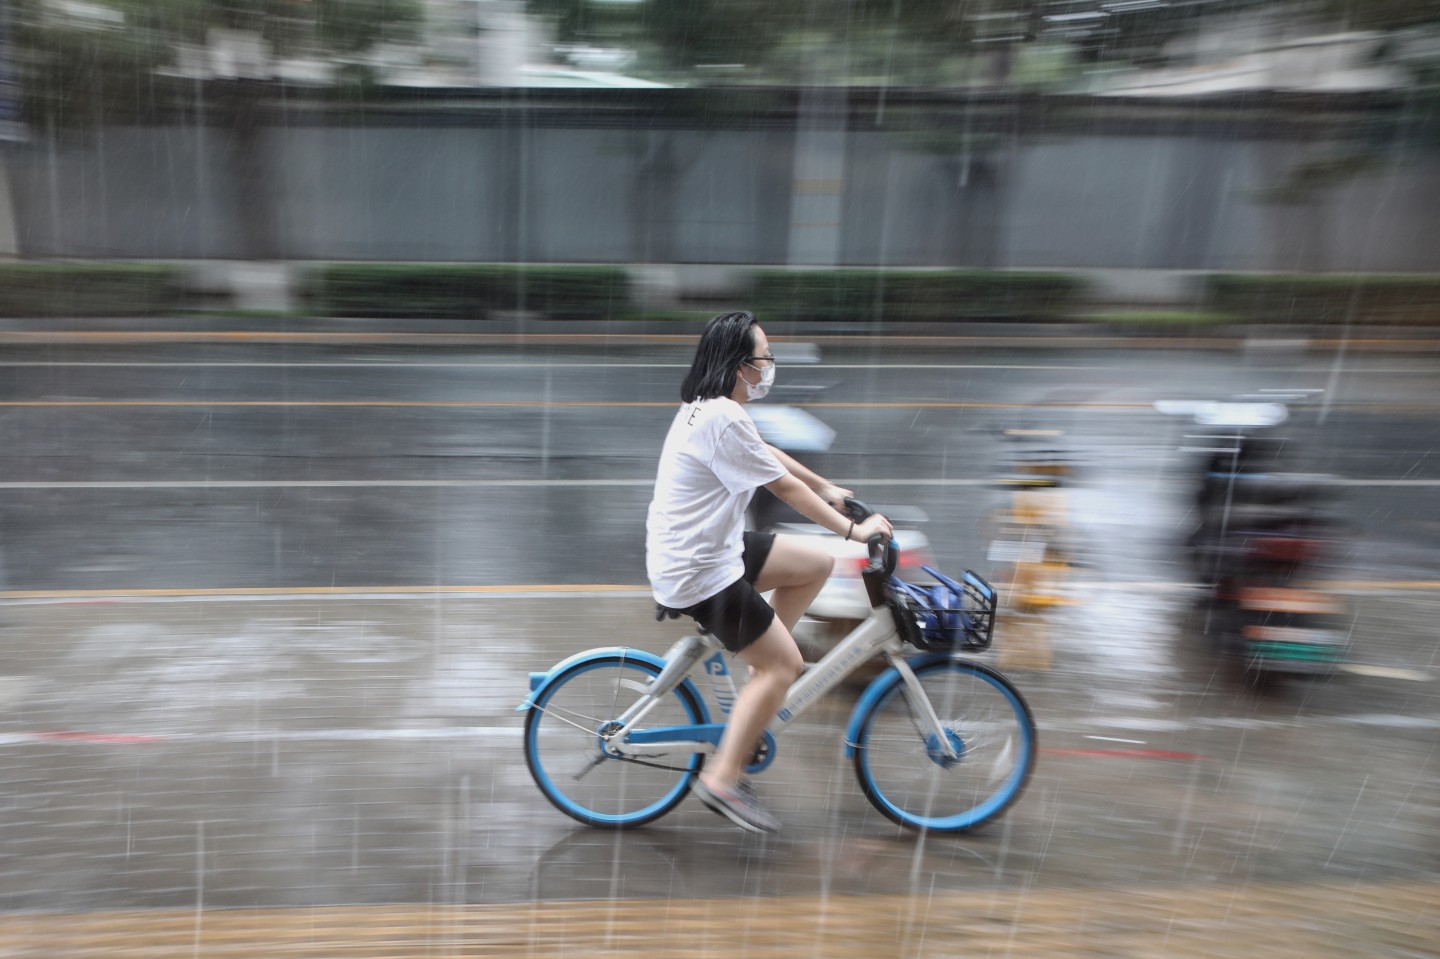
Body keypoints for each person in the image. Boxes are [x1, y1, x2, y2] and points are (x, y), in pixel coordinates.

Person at [645, 310, 892, 833]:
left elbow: (769, 456)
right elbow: (782, 488)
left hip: (706, 550)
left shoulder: (709, 407)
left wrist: (827, 487)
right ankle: (722, 780)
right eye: (764, 358)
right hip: (700, 570)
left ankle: (761, 675)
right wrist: (854, 532)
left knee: (813, 564)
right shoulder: (721, 417)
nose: (769, 367)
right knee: (788, 664)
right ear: (739, 365)